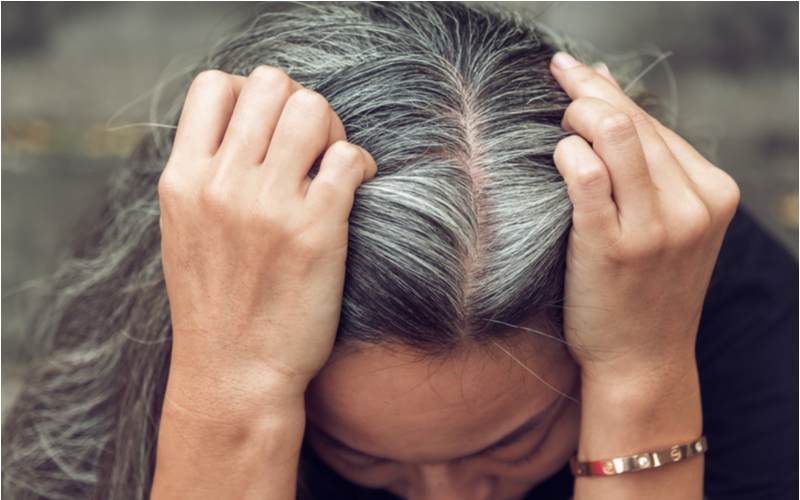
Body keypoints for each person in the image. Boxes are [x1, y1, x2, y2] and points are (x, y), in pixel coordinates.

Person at [2, 3, 797, 500]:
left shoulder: (731, 322)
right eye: (364, 458)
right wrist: (230, 389)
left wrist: (643, 380)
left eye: (514, 445)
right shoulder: (190, 316)